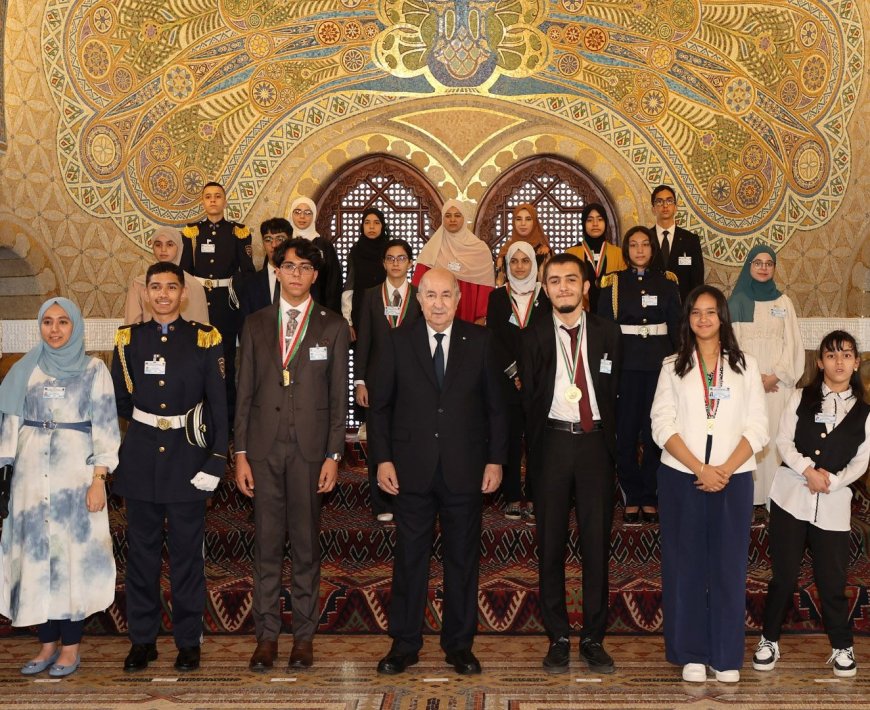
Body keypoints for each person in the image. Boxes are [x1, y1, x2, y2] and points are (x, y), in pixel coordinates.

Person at [368, 268, 508, 676]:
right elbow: (380, 408)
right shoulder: (397, 342)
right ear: (418, 298)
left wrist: (496, 460)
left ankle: (459, 646)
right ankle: (404, 644)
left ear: (459, 298)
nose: (439, 303)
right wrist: (383, 459)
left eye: (447, 295)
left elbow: (497, 408)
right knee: (409, 559)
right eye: (431, 295)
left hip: (465, 469)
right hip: (410, 470)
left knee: (462, 560)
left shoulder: (480, 342)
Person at [234, 237, 349, 672]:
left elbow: (339, 400)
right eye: (288, 266)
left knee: (304, 548)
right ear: (276, 271)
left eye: (304, 267)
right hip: (263, 451)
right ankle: (266, 638)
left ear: (314, 275)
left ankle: (303, 638)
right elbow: (243, 392)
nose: (296, 273)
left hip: (309, 453)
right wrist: (240, 454)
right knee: (265, 547)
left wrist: (334, 456)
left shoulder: (332, 326)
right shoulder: (256, 324)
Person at [111, 262, 229, 673]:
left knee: (186, 559)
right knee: (140, 559)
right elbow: (121, 404)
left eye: (171, 287)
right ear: (145, 293)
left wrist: (216, 457)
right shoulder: (128, 340)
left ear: (183, 293)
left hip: (187, 462)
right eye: (155, 287)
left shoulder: (204, 339)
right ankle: (141, 640)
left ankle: (187, 641)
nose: (163, 294)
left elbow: (218, 403)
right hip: (141, 463)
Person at [650, 285, 768, 683]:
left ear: (722, 318)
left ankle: (725, 654)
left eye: (711, 312)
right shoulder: (672, 365)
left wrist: (724, 470)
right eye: (696, 312)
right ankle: (692, 653)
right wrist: (700, 468)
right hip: (683, 478)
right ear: (688, 319)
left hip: (732, 480)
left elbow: (758, 427)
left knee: (728, 567)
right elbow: (661, 424)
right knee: (686, 566)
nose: (703, 319)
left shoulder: (746, 365)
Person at [0, 298, 120, 678]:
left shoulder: (93, 370)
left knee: (72, 564)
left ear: (75, 327)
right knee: (34, 562)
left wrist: (99, 478)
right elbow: (9, 428)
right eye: (48, 322)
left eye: (63, 322)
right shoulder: (24, 370)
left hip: (75, 481)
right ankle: (47, 644)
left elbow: (105, 426)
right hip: (30, 483)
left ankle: (70, 648)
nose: (54, 329)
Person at [521, 253, 622, 675]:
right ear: (545, 289)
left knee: (596, 544)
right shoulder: (531, 335)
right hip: (554, 446)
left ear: (585, 286)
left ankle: (594, 638)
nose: (563, 287)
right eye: (555, 281)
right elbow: (526, 403)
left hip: (596, 446)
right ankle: (559, 635)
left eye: (571, 280)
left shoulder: (607, 332)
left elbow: (618, 390)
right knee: (551, 545)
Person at [753, 331, 868, 679]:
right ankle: (768, 639)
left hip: (833, 503)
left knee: (832, 580)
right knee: (784, 576)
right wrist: (806, 470)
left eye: (846, 355)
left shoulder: (864, 413)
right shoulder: (800, 397)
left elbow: (862, 460)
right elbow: (783, 440)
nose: (838, 362)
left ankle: (841, 645)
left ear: (856, 362)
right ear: (819, 362)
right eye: (831, 356)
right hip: (791, 496)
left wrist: (831, 481)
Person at [598, 226, 681, 524]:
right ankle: (632, 493)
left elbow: (677, 327)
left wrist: (678, 363)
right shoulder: (613, 283)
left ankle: (650, 492)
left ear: (653, 248)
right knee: (627, 432)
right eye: (633, 245)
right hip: (626, 366)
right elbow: (604, 330)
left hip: (659, 366)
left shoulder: (668, 282)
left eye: (645, 244)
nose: (640, 250)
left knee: (655, 431)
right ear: (626, 250)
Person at [728, 245, 804, 507]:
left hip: (778, 387)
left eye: (768, 263)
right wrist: (753, 379)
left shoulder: (784, 302)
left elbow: (792, 344)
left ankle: (776, 501)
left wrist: (775, 377)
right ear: (749, 266)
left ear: (774, 268)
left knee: (775, 441)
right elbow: (731, 346)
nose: (763, 268)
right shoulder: (736, 303)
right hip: (747, 387)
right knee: (749, 438)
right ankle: (748, 501)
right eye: (757, 263)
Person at [354, 238, 421, 523]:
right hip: (377, 381)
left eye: (401, 258)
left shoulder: (419, 295)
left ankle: (406, 497)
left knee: (409, 440)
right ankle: (381, 502)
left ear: (409, 263)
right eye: (390, 258)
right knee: (379, 439)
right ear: (383, 263)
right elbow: (364, 341)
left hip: (412, 382)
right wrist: (359, 381)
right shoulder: (370, 296)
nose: (396, 263)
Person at [178, 181, 255, 427]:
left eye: (217, 196)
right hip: (197, 305)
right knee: (195, 361)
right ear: (202, 201)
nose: (213, 200)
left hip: (226, 308)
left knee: (225, 364)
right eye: (208, 197)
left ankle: (227, 422)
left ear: (224, 201)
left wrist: (237, 299)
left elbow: (248, 272)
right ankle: (197, 419)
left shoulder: (238, 231)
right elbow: (184, 273)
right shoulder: (191, 232)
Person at [486, 240, 550, 522]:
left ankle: (535, 495)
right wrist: (514, 372)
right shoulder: (497, 297)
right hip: (506, 380)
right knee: (509, 440)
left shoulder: (545, 295)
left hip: (540, 380)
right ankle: (512, 495)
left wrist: (532, 373)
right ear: (507, 265)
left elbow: (550, 336)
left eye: (525, 261)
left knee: (538, 440)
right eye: (514, 261)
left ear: (533, 264)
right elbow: (493, 339)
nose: (520, 266)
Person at [412, 200, 495, 324]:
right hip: (436, 312)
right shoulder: (432, 248)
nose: (452, 219)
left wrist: (481, 316)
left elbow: (485, 287)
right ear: (442, 219)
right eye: (448, 215)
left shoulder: (479, 249)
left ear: (464, 218)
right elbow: (418, 285)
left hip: (468, 311)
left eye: (457, 215)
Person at [125, 227, 209, 325]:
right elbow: (132, 329)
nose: (163, 250)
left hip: (186, 340)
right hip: (148, 340)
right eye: (158, 245)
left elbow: (202, 332)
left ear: (179, 247)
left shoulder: (194, 286)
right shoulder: (139, 284)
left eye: (170, 245)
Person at [647, 185, 704, 303]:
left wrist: (692, 307)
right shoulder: (645, 239)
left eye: (669, 201)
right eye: (659, 202)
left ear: (675, 207)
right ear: (653, 209)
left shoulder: (690, 240)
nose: (665, 205)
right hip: (652, 307)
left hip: (682, 306)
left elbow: (697, 280)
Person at [566, 202, 626, 312]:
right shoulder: (571, 254)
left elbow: (624, 288)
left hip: (611, 314)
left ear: (606, 223)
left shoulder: (618, 254)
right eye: (589, 220)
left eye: (600, 219)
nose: (595, 224)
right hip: (580, 312)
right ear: (583, 224)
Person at [342, 207, 390, 338]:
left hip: (387, 312)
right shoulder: (356, 251)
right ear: (362, 226)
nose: (372, 227)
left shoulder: (390, 250)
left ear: (383, 226)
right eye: (367, 222)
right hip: (360, 312)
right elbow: (349, 285)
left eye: (376, 222)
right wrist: (348, 320)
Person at [288, 197, 342, 313]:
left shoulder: (324, 245)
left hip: (319, 308)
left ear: (314, 217)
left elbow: (333, 281)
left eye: (308, 213)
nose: (302, 217)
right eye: (297, 212)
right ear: (290, 215)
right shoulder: (285, 244)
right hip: (288, 306)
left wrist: (330, 313)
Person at [238, 217, 291, 324]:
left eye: (280, 239)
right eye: (268, 240)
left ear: (290, 240)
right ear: (263, 243)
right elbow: (245, 324)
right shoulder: (250, 283)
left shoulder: (299, 277)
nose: (274, 245)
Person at [494, 203, 552, 286]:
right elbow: (500, 282)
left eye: (528, 219)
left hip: (537, 298)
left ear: (534, 222)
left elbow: (548, 284)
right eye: (518, 219)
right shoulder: (506, 251)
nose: (523, 223)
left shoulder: (543, 251)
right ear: (513, 222)